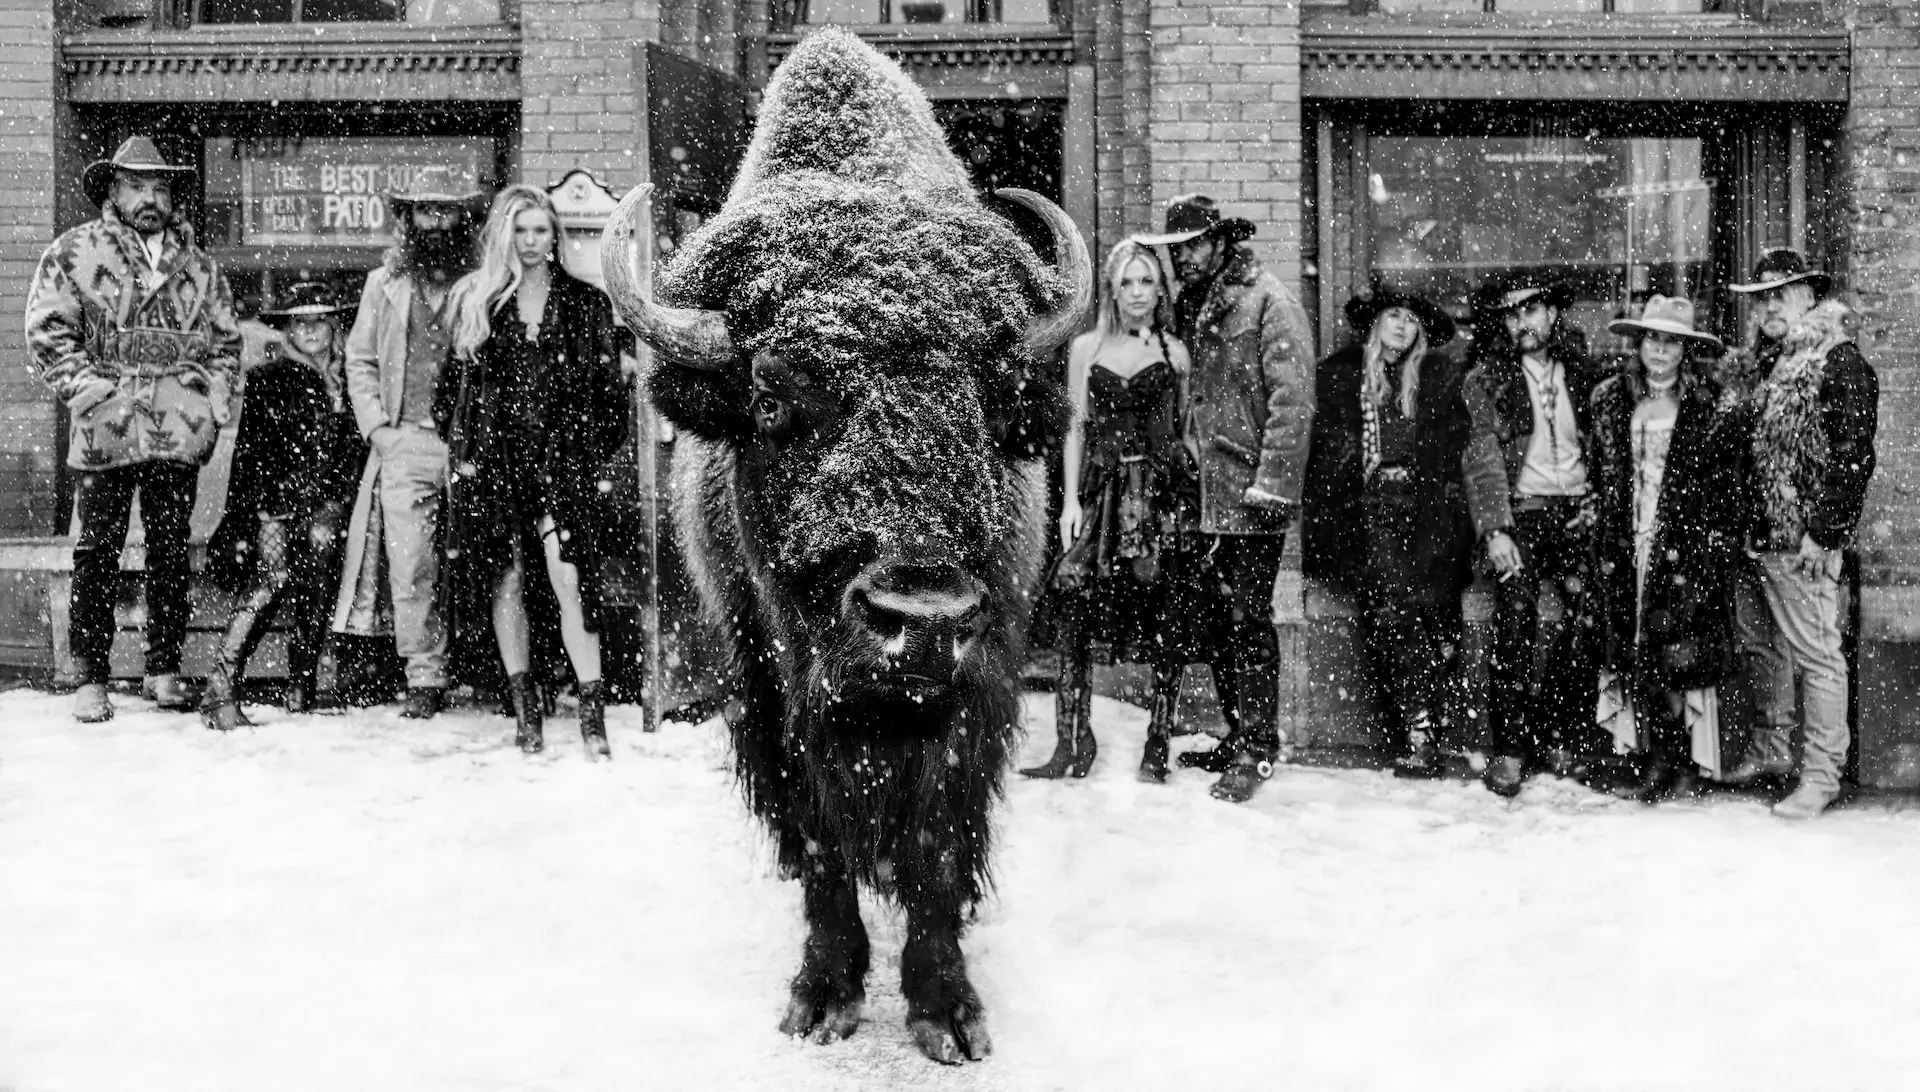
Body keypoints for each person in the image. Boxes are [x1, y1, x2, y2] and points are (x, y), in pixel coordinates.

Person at [24, 136, 241, 722]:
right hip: (106, 427)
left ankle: (163, 671)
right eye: (137, 186)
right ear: (114, 191)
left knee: (171, 550)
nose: (150, 197)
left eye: (160, 187)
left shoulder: (200, 267)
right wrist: (90, 390)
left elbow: (226, 345)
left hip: (176, 427)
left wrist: (206, 401)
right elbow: (47, 331)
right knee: (98, 550)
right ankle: (90, 677)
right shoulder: (75, 251)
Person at [441, 184, 632, 758]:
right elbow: (449, 397)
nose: (530, 242)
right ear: (506, 235)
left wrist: (587, 456)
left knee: (570, 577)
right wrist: (467, 454)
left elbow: (609, 399)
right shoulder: (481, 304)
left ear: (556, 234)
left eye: (540, 230)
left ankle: (592, 714)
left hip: (561, 463)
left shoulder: (585, 303)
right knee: (507, 580)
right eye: (520, 230)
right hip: (496, 464)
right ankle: (526, 711)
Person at [1137, 194, 1315, 804]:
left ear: (1220, 243)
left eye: (1191, 246)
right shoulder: (1191, 302)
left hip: (1249, 495)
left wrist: (1273, 487)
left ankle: (1260, 751)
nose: (1182, 258)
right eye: (1175, 249)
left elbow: (1293, 404)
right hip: (1200, 495)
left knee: (1247, 621)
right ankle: (1240, 734)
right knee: (1213, 624)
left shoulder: (1269, 299)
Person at [1022, 238, 1194, 783]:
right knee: (1073, 606)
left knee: (1167, 614)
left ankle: (1157, 744)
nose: (1138, 293)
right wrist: (1070, 499)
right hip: (1101, 490)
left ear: (1160, 289)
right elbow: (1074, 426)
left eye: (1147, 281)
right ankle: (1073, 743)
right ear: (1112, 291)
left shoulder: (1175, 352)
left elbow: (1188, 430)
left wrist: (1190, 497)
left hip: (1158, 494)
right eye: (1128, 282)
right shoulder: (1085, 349)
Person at [1722, 251, 1878, 819]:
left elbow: (1853, 457)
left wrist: (1825, 532)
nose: (1768, 305)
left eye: (1780, 294)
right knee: (1764, 647)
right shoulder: (1768, 362)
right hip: (1760, 535)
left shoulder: (1837, 361)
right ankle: (1773, 750)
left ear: (1810, 295)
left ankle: (1821, 776)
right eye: (1761, 296)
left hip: (1804, 541)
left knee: (1817, 656)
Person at [1303, 284, 1475, 778]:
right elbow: (1326, 452)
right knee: (1392, 612)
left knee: (1436, 617)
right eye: (1394, 315)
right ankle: (1419, 731)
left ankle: (1435, 729)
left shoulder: (1438, 379)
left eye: (1411, 319)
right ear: (1377, 321)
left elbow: (1456, 449)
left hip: (1427, 517)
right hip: (1369, 514)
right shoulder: (1343, 378)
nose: (1402, 325)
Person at [332, 174, 487, 720]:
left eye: (446, 213)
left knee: (482, 562)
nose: (437, 224)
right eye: (425, 212)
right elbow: (359, 359)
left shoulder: (486, 282)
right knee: (411, 563)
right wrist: (378, 429)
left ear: (463, 220)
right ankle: (424, 675)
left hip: (473, 444)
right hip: (408, 442)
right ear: (408, 219)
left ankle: (487, 669)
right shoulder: (384, 284)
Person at [1588, 296, 1743, 802]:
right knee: (1633, 648)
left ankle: (1680, 759)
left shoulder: (1708, 404)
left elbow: (1723, 485)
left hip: (1681, 547)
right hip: (1626, 542)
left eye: (1671, 341)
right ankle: (1648, 751)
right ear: (1639, 344)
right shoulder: (1610, 399)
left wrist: (1710, 544)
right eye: (1653, 338)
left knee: (1679, 652)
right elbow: (1598, 472)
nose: (1660, 349)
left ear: (1685, 350)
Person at [200, 282, 368, 729]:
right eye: (300, 320)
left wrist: (340, 498)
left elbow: (357, 449)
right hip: (276, 506)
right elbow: (250, 454)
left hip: (331, 506)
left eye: (319, 318)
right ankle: (220, 687)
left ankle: (304, 686)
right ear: (287, 328)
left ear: (335, 325)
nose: (310, 328)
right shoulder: (268, 378)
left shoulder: (354, 378)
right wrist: (239, 515)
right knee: (271, 581)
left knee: (320, 582)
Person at [1461, 274, 1602, 797]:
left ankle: (1565, 733)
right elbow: (1481, 457)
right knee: (1514, 624)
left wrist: (1599, 503)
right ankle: (1512, 746)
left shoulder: (1587, 376)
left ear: (1552, 315)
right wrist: (1496, 529)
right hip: (1522, 514)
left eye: (1532, 311)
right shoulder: (1488, 379)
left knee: (1585, 625)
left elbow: (1608, 448)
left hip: (1577, 515)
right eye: (1512, 314)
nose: (1522, 322)